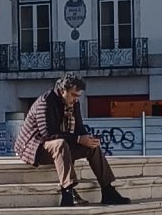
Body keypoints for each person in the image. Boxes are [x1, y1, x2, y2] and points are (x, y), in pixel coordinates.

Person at [14, 75, 128, 207]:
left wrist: (89, 139)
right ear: (63, 90)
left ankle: (108, 190)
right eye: (73, 95)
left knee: (92, 146)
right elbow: (48, 135)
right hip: (35, 147)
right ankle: (68, 192)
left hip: (59, 145)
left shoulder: (74, 104)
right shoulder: (45, 102)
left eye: (78, 96)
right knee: (60, 143)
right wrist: (79, 139)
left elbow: (79, 128)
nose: (75, 99)